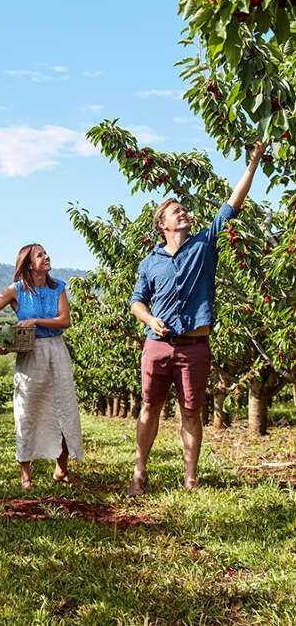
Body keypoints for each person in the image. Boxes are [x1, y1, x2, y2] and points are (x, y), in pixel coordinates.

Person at [128, 142, 267, 496]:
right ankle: (139, 472)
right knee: (150, 408)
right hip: (157, 345)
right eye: (176, 211)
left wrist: (251, 164)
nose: (184, 212)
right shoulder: (150, 262)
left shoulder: (205, 245)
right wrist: (150, 320)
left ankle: (190, 479)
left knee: (191, 412)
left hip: (194, 347)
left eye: (184, 209)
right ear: (162, 224)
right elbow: (136, 303)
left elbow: (232, 204)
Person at [0, 243, 83, 490]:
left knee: (64, 408)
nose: (46, 257)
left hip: (56, 350)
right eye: (40, 255)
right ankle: (25, 474)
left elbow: (64, 320)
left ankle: (61, 469)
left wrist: (35, 320)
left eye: (46, 253)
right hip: (31, 354)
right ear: (28, 264)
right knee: (27, 412)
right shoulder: (16, 290)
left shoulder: (57, 287)